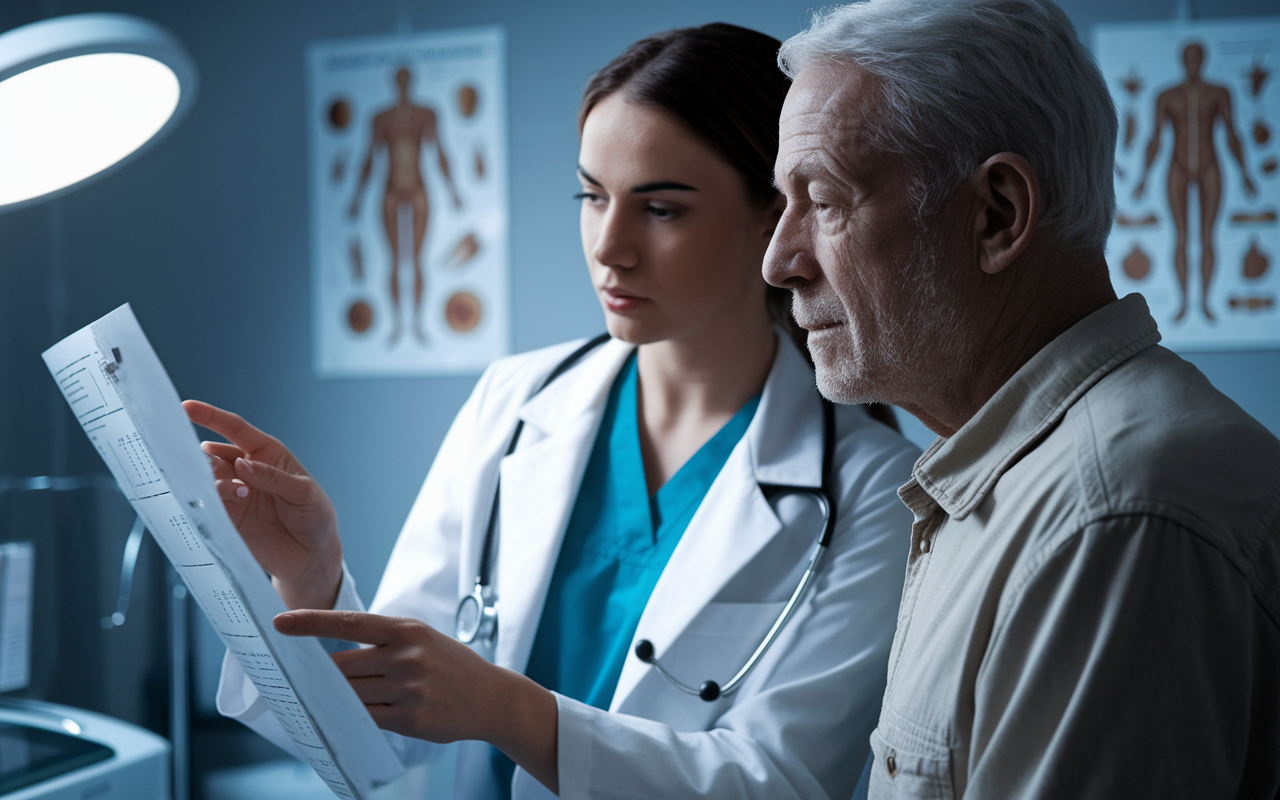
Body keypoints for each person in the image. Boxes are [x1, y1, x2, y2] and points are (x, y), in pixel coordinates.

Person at [188, 23, 919, 800]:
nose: (610, 247)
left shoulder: (876, 493)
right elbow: (382, 735)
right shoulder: (515, 402)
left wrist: (507, 709)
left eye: (662, 209)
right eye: (592, 196)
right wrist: (310, 574)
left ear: (772, 219)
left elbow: (781, 782)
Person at [765, 0, 1280, 796]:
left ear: (998, 215)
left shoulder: (1110, 513)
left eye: (825, 201)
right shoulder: (1017, 478)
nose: (780, 261)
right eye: (782, 204)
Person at [1133, 41, 1257, 323]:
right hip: (1177, 166)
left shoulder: (1219, 92)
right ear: (1182, 60)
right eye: (1188, 57)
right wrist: (1143, 176)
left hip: (1210, 164)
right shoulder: (1166, 95)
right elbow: (1154, 138)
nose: (1193, 63)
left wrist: (1246, 173)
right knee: (1182, 237)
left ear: (1204, 60)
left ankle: (1205, 302)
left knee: (1207, 237)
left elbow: (1232, 134)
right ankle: (1183, 303)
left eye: (1197, 57)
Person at [349, 66, 463, 344]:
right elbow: (368, 158)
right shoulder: (381, 117)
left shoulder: (426, 113)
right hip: (390, 189)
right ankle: (399, 324)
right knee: (395, 260)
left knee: (417, 259)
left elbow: (440, 151)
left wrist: (453, 191)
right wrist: (357, 197)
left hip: (418, 188)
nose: (402, 84)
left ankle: (417, 324)